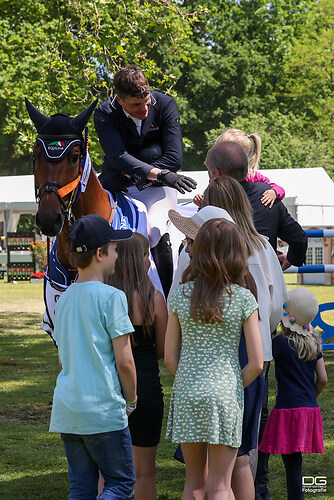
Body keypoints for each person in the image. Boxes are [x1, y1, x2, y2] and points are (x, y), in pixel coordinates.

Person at [201, 176, 288, 500]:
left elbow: (175, 302)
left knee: (209, 461)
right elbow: (278, 304)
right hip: (256, 354)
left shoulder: (194, 246)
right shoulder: (263, 246)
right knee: (244, 453)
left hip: (207, 359)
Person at [165, 218, 263, 500]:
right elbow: (256, 363)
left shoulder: (180, 295)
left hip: (187, 391)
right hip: (225, 393)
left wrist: (190, 377)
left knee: (194, 483)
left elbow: (170, 357)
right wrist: (231, 384)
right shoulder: (243, 298)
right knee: (221, 484)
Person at [49, 214, 137, 500]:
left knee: (81, 488)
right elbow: (125, 361)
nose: (117, 255)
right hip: (103, 410)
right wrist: (132, 401)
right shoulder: (112, 297)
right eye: (114, 249)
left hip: (69, 410)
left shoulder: (62, 300)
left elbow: (63, 358)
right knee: (120, 484)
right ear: (100, 254)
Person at [94, 64, 196, 298]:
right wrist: (156, 168)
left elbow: (174, 158)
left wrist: (144, 171)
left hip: (156, 189)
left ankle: (167, 298)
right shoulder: (104, 113)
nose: (144, 108)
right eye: (135, 105)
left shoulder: (165, 104)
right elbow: (118, 157)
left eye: (146, 100)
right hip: (120, 187)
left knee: (153, 231)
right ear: (120, 101)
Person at [108, 232, 168, 500]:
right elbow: (163, 349)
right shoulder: (153, 298)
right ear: (138, 258)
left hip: (112, 387)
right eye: (146, 255)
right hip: (147, 387)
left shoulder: (107, 298)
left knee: (108, 472)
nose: (149, 261)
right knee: (145, 472)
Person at [259, 288, 327, 500]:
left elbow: (262, 364)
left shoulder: (280, 343)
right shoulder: (315, 343)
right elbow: (323, 379)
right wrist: (310, 400)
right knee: (294, 462)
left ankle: (258, 487)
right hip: (309, 409)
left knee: (262, 449)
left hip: (286, 410)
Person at [204, 141, 308, 271]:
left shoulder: (210, 201)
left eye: (208, 170)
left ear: (216, 173)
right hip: (265, 282)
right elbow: (299, 239)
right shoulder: (266, 194)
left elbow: (194, 248)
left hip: (224, 283)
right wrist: (291, 260)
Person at [193, 129, 285, 209]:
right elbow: (213, 202)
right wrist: (202, 202)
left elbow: (279, 189)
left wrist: (274, 192)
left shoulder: (254, 176)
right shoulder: (216, 177)